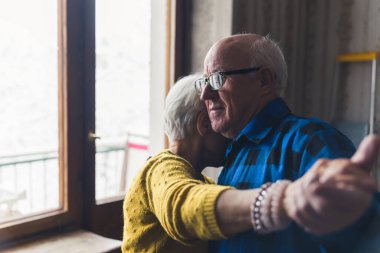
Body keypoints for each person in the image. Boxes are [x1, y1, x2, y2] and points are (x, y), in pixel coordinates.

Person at [196, 33, 380, 253]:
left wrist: (354, 218)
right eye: (204, 82)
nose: (205, 94)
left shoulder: (311, 140)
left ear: (264, 81)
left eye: (217, 78)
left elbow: (367, 234)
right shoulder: (235, 150)